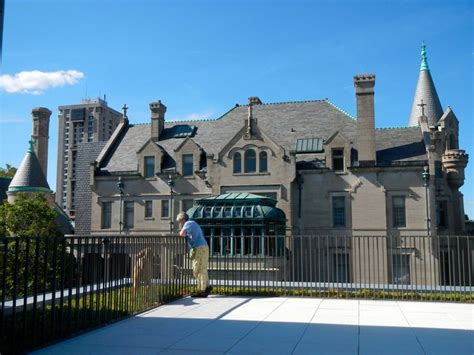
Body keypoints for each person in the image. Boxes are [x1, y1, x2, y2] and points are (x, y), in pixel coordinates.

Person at [177, 211, 212, 297]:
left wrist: (182, 232)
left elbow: (181, 234)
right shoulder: (193, 223)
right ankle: (206, 287)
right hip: (203, 247)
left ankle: (202, 290)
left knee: (197, 269)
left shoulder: (188, 223)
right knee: (202, 268)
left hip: (199, 248)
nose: (180, 224)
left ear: (183, 219)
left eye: (180, 222)